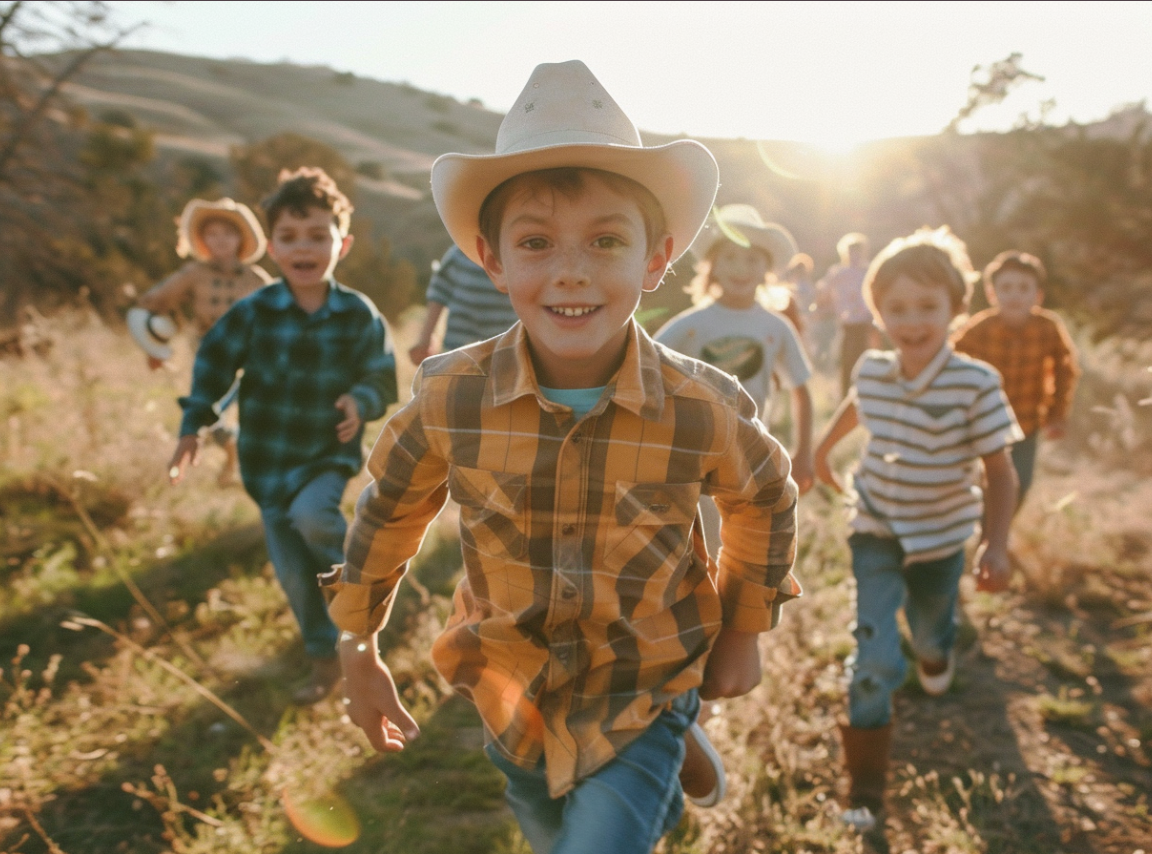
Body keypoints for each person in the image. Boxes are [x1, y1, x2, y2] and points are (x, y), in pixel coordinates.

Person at [327, 61, 800, 854]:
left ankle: (661, 751)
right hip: (512, 690)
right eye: (537, 243)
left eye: (606, 241)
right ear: (494, 260)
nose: (571, 271)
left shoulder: (698, 406)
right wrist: (357, 645)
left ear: (657, 259)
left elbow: (764, 498)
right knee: (546, 827)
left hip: (646, 684)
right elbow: (389, 512)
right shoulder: (453, 398)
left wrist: (744, 629)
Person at [812, 227, 1021, 833]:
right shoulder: (874, 368)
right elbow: (857, 403)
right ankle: (867, 788)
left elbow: (1000, 470)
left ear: (955, 308)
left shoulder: (975, 383)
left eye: (926, 307)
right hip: (875, 524)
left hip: (939, 536)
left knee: (930, 633)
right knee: (873, 656)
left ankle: (936, 652)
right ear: (876, 311)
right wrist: (825, 450)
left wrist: (997, 541)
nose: (911, 321)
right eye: (896, 308)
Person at [166, 168, 397, 705]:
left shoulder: (357, 314)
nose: (305, 248)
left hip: (324, 454)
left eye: (318, 235)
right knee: (295, 578)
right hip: (266, 465)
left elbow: (381, 375)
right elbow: (213, 368)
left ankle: (367, 581)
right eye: (290, 238)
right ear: (271, 247)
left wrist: (359, 400)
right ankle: (324, 660)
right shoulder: (254, 312)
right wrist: (192, 426)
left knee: (315, 518)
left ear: (344, 242)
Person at [655, 203, 815, 561]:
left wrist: (804, 452)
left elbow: (801, 390)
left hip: (755, 454)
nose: (741, 269)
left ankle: (746, 607)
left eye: (752, 260)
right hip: (696, 457)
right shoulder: (692, 324)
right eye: (729, 257)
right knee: (707, 547)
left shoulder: (775, 327)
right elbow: (644, 365)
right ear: (712, 267)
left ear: (767, 271)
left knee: (754, 546)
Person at [131, 198, 271, 485]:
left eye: (227, 234)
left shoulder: (256, 279)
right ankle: (232, 457)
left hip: (250, 359)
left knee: (228, 414)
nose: (220, 241)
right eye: (212, 234)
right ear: (203, 240)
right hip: (209, 356)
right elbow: (156, 300)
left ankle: (239, 462)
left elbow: (278, 317)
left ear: (240, 239)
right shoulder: (195, 273)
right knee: (212, 413)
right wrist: (153, 345)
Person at [952, 250, 1080, 508]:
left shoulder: (1048, 327)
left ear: (1038, 295)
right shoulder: (980, 329)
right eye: (1006, 287)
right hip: (984, 423)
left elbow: (1066, 368)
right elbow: (951, 362)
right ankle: (988, 535)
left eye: (1024, 288)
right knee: (986, 484)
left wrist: (1056, 414)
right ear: (991, 293)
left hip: (1026, 423)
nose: (1015, 295)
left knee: (1021, 483)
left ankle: (997, 535)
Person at [409, 243, 518, 365]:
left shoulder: (517, 255)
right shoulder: (459, 254)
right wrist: (425, 340)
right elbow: (439, 292)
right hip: (457, 353)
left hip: (505, 357)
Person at [816, 232, 877, 395]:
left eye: (857, 251)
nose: (854, 255)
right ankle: (845, 396)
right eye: (851, 251)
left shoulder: (869, 271)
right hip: (847, 324)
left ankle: (866, 394)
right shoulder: (838, 273)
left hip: (866, 325)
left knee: (866, 361)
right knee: (846, 361)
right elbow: (823, 293)